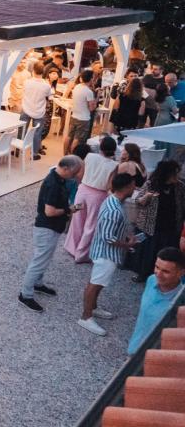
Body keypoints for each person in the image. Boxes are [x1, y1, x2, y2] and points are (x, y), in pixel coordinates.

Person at [18, 155, 84, 312]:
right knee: (39, 261)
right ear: (66, 168)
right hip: (47, 227)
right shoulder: (53, 183)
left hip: (50, 227)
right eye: (74, 172)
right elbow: (49, 211)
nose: (75, 176)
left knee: (43, 258)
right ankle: (25, 295)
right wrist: (70, 209)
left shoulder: (58, 178)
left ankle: (37, 284)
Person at [78, 173, 139, 336]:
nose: (135, 188)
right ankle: (86, 317)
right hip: (106, 254)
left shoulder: (113, 201)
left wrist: (127, 237)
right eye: (133, 185)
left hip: (106, 252)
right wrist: (128, 244)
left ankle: (93, 308)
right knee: (95, 283)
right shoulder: (114, 209)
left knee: (99, 282)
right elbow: (108, 237)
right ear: (126, 187)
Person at [64, 136, 119, 263]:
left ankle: (72, 247)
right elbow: (111, 186)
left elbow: (81, 174)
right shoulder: (114, 165)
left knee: (77, 220)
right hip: (98, 196)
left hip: (83, 191)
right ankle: (81, 254)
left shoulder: (89, 156)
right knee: (91, 224)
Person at [133, 160, 185, 283]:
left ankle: (164, 276)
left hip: (172, 225)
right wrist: (147, 197)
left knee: (167, 252)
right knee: (149, 252)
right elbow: (138, 201)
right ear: (167, 173)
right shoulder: (151, 184)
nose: (177, 176)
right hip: (152, 225)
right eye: (175, 173)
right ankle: (144, 274)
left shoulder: (180, 187)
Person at [127, 248, 185, 354]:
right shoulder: (151, 279)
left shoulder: (181, 304)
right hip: (134, 348)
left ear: (181, 273)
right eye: (157, 267)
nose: (158, 274)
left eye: (166, 271)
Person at [20, 62, 53, 159]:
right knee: (37, 132)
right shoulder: (46, 86)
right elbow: (49, 97)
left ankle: (18, 149)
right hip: (39, 111)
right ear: (43, 72)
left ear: (33, 71)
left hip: (26, 109)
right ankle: (34, 154)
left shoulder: (27, 82)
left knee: (22, 130)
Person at [64, 70, 97, 155]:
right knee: (77, 139)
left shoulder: (77, 86)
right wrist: (97, 98)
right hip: (84, 118)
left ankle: (64, 154)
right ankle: (72, 155)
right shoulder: (88, 92)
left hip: (74, 115)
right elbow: (91, 108)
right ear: (91, 79)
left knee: (69, 136)